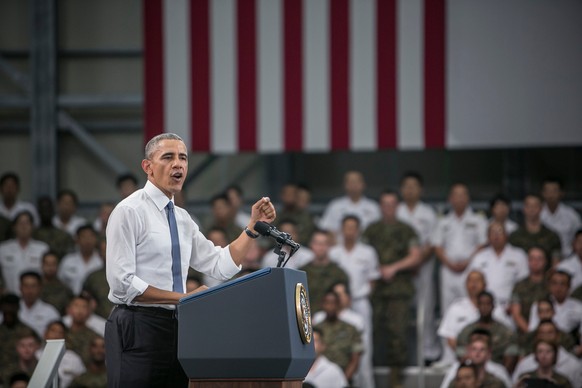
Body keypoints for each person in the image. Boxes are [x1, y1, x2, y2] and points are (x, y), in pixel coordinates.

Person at [104, 133, 276, 387]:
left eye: (183, 158)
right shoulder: (129, 211)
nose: (178, 164)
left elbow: (219, 265)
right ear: (147, 167)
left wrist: (252, 227)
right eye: (168, 157)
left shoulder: (183, 219)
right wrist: (185, 298)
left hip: (179, 328)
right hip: (137, 325)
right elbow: (123, 284)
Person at [362, 191, 421, 387]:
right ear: (380, 206)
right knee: (373, 333)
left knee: (398, 334)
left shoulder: (406, 230)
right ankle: (369, 376)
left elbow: (416, 256)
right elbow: (362, 254)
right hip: (375, 290)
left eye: (392, 204)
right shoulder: (371, 230)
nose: (388, 207)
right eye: (385, 203)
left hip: (399, 291)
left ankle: (396, 380)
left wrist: (393, 267)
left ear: (397, 206)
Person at [396, 171, 441, 363]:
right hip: (401, 270)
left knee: (426, 310)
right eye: (406, 186)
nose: (410, 190)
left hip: (423, 269)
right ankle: (403, 355)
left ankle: (429, 354)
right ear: (401, 189)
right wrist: (407, 263)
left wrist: (418, 261)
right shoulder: (397, 211)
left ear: (420, 190)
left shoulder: (428, 213)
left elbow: (433, 243)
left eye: (414, 186)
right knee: (401, 313)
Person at [438, 271, 513, 366]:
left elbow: (507, 336)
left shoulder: (497, 309)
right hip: (460, 362)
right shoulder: (455, 308)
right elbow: (450, 339)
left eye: (477, 280)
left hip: (493, 362)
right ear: (465, 285)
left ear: (485, 284)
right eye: (470, 280)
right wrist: (471, 357)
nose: (474, 283)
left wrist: (483, 356)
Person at [432, 183, 488, 311]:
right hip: (448, 269)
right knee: (448, 307)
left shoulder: (478, 220)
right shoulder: (443, 221)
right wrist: (449, 263)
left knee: (471, 304)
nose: (459, 198)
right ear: (450, 199)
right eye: (456, 195)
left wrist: (467, 262)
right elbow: (437, 246)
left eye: (463, 195)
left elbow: (482, 245)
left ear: (468, 198)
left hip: (470, 269)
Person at [467, 221, 529, 309]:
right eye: (493, 233)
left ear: (506, 235)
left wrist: (515, 304)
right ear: (488, 237)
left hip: (510, 305)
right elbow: (473, 282)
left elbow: (524, 282)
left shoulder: (518, 255)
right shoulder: (479, 257)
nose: (496, 236)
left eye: (499, 232)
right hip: (485, 306)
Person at [455, 292, 519, 372]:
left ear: (493, 306)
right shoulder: (467, 331)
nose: (484, 307)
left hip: (498, 371)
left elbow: (511, 356)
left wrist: (502, 374)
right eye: (481, 304)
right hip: (471, 371)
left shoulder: (505, 332)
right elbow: (461, 354)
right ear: (477, 306)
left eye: (487, 304)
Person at [512, 320, 582, 386]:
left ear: (558, 336)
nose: (546, 336)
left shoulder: (573, 365)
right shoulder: (524, 366)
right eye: (542, 333)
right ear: (536, 336)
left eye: (550, 332)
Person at [314, 290, 363, 384]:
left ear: (339, 305)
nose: (330, 307)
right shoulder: (316, 329)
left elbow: (355, 359)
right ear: (322, 305)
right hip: (319, 378)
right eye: (327, 303)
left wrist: (342, 381)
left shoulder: (351, 329)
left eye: (333, 303)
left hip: (344, 378)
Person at [527, 271, 582, 351]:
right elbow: (532, 330)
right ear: (549, 285)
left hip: (567, 346)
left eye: (562, 284)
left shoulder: (578, 307)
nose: (558, 287)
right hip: (542, 345)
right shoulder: (538, 305)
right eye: (554, 283)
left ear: (569, 286)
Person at [298, 229, 349, 312]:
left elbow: (346, 304)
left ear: (330, 246)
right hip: (307, 318)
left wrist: (341, 294)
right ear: (311, 245)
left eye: (324, 244)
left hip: (329, 320)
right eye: (317, 243)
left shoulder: (338, 273)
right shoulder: (301, 272)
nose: (320, 247)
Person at [319, 171, 380, 237]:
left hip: (366, 245)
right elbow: (326, 228)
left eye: (357, 182)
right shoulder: (335, 205)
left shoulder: (373, 207)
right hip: (340, 245)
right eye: (351, 182)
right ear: (345, 185)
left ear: (363, 185)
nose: (354, 185)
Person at [0, 211, 49, 294]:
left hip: (35, 296)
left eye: (27, 223)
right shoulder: (3, 249)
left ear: (33, 226)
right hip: (10, 299)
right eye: (20, 223)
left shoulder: (42, 249)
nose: (24, 227)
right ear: (14, 227)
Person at [509, 194, 562, 266]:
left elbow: (556, 263)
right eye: (528, 206)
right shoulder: (514, 236)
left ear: (541, 208)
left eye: (535, 206)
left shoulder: (552, 236)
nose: (531, 209)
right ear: (524, 208)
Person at [439, 336, 509, 388]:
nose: (477, 353)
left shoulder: (498, 374)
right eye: (474, 349)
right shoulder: (457, 369)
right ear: (468, 351)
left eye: (482, 349)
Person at [510, 247, 550, 336]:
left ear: (545, 261)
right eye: (532, 259)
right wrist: (530, 332)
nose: (535, 262)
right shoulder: (519, 286)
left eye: (539, 258)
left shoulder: (551, 284)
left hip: (549, 331)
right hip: (525, 332)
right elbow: (516, 313)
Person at [36, 320, 86, 388]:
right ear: (45, 334)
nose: (56, 335)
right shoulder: (36, 356)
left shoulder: (74, 358)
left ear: (65, 337)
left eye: (60, 332)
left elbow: (83, 381)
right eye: (53, 331)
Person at [540, 178, 582, 258]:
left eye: (554, 191)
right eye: (548, 191)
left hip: (567, 257)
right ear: (543, 193)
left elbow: (579, 239)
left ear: (561, 193)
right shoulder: (538, 213)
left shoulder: (571, 215)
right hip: (542, 260)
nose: (551, 195)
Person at [58, 225, 103, 295]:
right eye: (84, 237)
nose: (88, 240)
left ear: (96, 239)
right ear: (77, 240)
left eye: (91, 236)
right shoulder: (67, 261)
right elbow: (60, 282)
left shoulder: (101, 261)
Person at [17, 271, 60, 338]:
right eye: (26, 286)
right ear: (20, 288)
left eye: (33, 286)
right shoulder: (12, 310)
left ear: (40, 288)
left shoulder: (50, 312)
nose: (29, 290)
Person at [82, 239, 113, 319]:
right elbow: (84, 301)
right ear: (99, 254)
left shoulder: (131, 275)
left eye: (111, 249)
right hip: (100, 322)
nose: (108, 253)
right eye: (105, 250)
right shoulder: (93, 278)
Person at [0, 294, 34, 368]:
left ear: (18, 308)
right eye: (6, 308)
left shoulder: (27, 331)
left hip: (20, 375)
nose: (8, 311)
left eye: (12, 308)